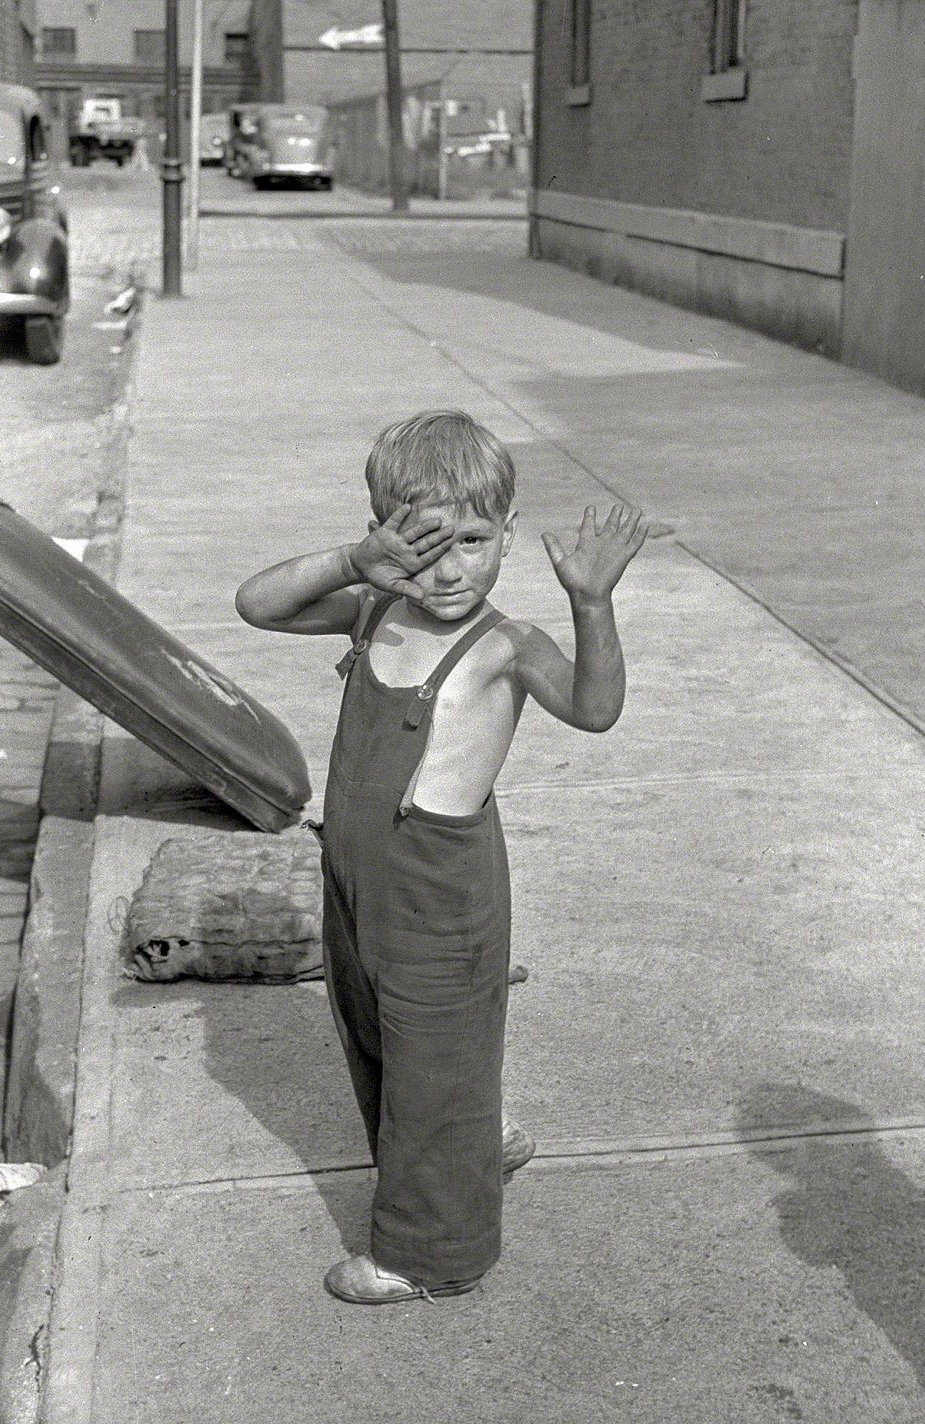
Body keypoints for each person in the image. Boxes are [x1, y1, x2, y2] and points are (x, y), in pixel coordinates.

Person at [235, 410, 648, 1305]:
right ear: (386, 534)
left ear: (506, 531)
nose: (449, 567)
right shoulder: (376, 605)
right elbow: (256, 604)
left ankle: (429, 1255)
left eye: (471, 540)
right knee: (377, 1032)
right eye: (422, 543)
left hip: (440, 890)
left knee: (433, 1049)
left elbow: (594, 707)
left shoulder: (506, 646)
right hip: (356, 875)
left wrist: (591, 602)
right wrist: (353, 562)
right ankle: (479, 1138)